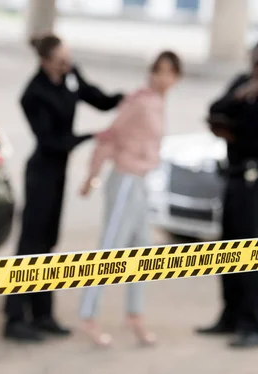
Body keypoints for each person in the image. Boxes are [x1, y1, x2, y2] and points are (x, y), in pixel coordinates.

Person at [3, 33, 124, 342]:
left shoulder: (69, 76)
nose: (66, 65)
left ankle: (43, 314)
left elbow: (97, 99)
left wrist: (125, 98)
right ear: (45, 62)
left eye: (67, 59)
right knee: (30, 245)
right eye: (60, 61)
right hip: (41, 172)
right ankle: (14, 317)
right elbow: (51, 142)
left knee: (48, 243)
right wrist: (91, 137)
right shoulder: (32, 94)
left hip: (58, 174)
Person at [77, 51, 183, 347]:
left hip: (141, 183)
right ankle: (88, 315)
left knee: (140, 251)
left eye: (169, 72)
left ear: (176, 77)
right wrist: (91, 176)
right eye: (158, 70)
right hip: (124, 179)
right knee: (110, 249)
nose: (163, 77)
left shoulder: (158, 103)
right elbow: (109, 136)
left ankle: (134, 314)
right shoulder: (139, 101)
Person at [196, 39, 258, 348]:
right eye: (257, 62)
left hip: (256, 178)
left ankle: (253, 326)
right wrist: (240, 97)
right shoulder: (240, 84)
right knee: (228, 249)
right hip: (234, 175)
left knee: (252, 253)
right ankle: (230, 316)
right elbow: (215, 110)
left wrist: (243, 125)